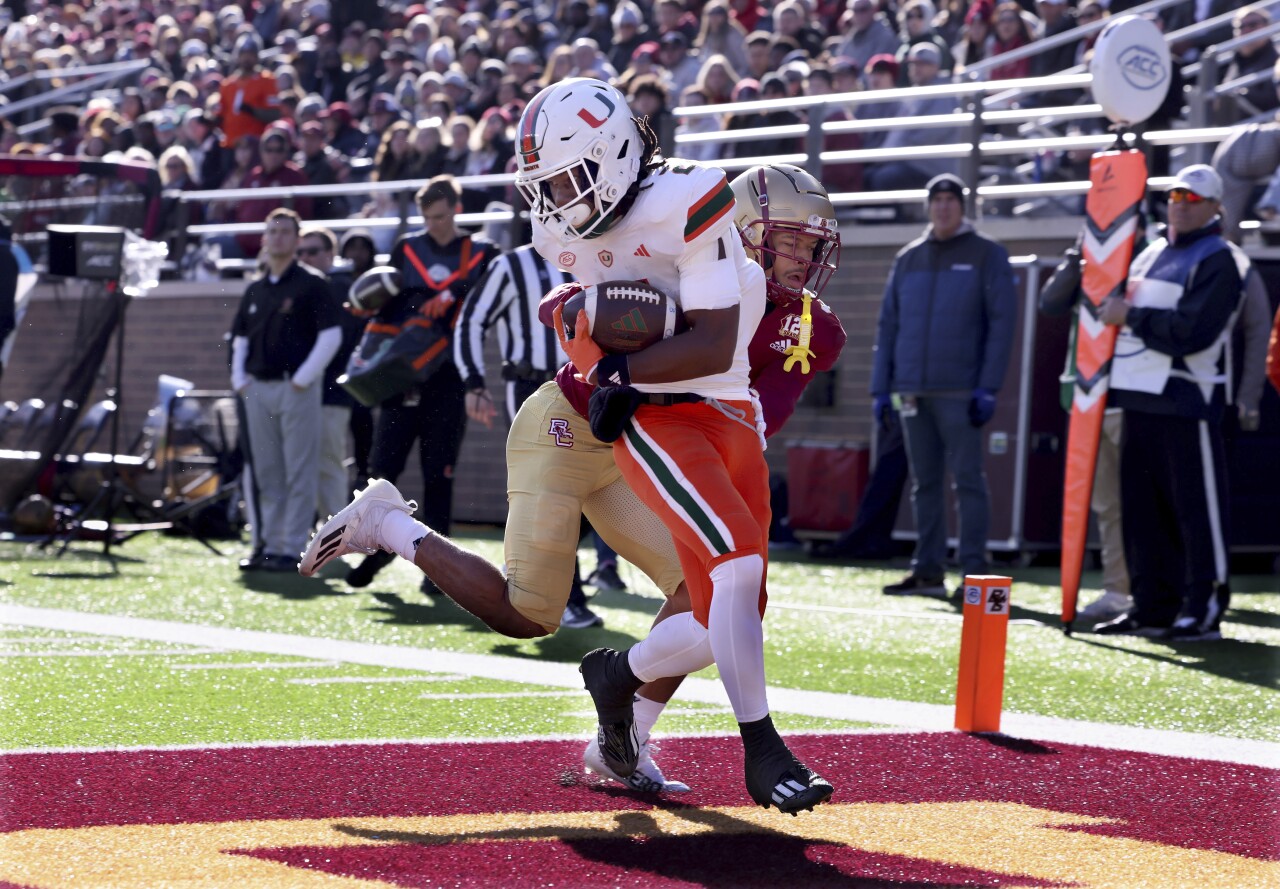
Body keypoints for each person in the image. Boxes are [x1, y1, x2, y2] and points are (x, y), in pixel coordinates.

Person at [300, 144, 844, 809]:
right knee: (530, 612)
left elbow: (760, 417)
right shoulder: (682, 252)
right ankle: (387, 522)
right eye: (793, 240)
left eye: (815, 246)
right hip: (571, 422)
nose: (806, 261)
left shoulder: (808, 324)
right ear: (748, 228)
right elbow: (569, 299)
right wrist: (587, 322)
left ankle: (621, 739)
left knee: (707, 594)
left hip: (651, 444)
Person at [526, 79, 832, 815]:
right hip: (658, 414)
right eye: (550, 185)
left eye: (571, 177)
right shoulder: (562, 233)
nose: (561, 200)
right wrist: (597, 357)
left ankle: (619, 676)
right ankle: (762, 745)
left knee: (729, 608)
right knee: (736, 553)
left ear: (614, 153)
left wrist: (618, 364)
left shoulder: (690, 198)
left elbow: (716, 338)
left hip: (722, 403)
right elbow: (583, 330)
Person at [1094, 166, 1242, 642]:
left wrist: (1131, 316)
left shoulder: (1221, 258)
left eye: (1193, 197)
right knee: (1142, 511)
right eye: (1176, 193)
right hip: (1137, 396)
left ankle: (1203, 606)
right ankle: (1153, 605)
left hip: (1185, 398)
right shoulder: (1150, 252)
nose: (1180, 202)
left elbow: (1193, 332)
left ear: (1216, 207)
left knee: (1197, 513)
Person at [342, 176, 499, 595]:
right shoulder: (407, 247)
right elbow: (388, 303)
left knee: (439, 474)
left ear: (457, 210)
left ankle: (438, 572)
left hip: (448, 378)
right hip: (402, 376)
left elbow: (488, 290)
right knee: (384, 470)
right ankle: (376, 553)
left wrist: (451, 294)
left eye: (442, 216)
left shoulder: (480, 252)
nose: (436, 225)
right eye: (428, 218)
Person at [871, 173, 1017, 599]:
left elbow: (1002, 325)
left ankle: (975, 572)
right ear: (928, 206)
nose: (944, 206)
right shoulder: (908, 258)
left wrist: (988, 387)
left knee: (968, 480)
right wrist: (882, 389)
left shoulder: (987, 254)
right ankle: (928, 571)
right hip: (912, 390)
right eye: (937, 199)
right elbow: (889, 325)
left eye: (952, 199)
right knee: (924, 483)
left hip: (961, 391)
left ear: (963, 206)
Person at [452, 242, 604, 630]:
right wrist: (473, 381)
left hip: (591, 384)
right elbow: (471, 319)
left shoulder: (603, 254)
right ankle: (567, 597)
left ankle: (532, 561)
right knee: (552, 488)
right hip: (531, 385)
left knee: (595, 487)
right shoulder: (512, 264)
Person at [230, 208, 343, 571]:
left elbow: (331, 336)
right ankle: (265, 544)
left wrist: (302, 379)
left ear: (297, 239)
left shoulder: (312, 284)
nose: (277, 237)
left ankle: (291, 548)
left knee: (299, 470)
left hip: (296, 390)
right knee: (266, 472)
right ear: (264, 239)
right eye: (272, 230)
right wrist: (239, 379)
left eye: (285, 231)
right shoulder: (255, 289)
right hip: (258, 389)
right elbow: (240, 339)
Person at [298, 226, 363, 520]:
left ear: (330, 255)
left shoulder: (338, 287)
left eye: (312, 251)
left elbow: (341, 343)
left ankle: (336, 534)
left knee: (328, 463)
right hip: (307, 390)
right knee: (307, 464)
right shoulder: (306, 287)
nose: (305, 258)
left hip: (330, 391)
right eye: (301, 252)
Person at [218, 33, 281, 150]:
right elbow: (220, 115)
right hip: (230, 145)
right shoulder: (227, 84)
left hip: (255, 145)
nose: (247, 58)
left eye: (251, 54)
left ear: (257, 56)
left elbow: (275, 114)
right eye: (243, 54)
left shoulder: (267, 80)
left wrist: (253, 111)